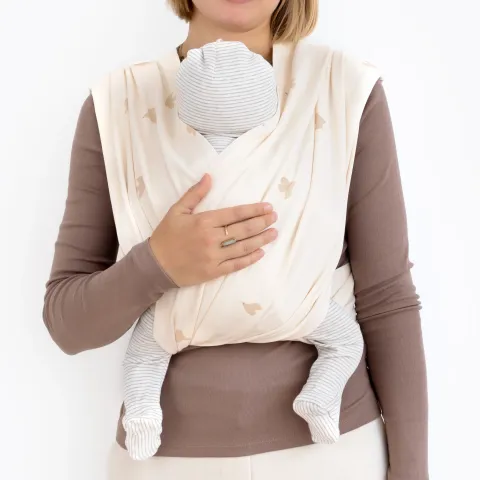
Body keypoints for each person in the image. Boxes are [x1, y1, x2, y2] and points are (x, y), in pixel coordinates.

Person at [43, 0, 429, 479]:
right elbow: (68, 323)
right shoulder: (118, 104)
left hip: (333, 452)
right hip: (163, 461)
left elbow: (387, 299)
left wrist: (412, 470)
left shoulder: (343, 90)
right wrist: (157, 263)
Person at [120, 39, 365, 461]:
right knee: (345, 342)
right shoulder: (289, 158)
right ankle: (321, 397)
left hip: (183, 303)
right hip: (281, 296)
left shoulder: (166, 160)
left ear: (186, 105)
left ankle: (142, 413)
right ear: (266, 105)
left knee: (144, 354)